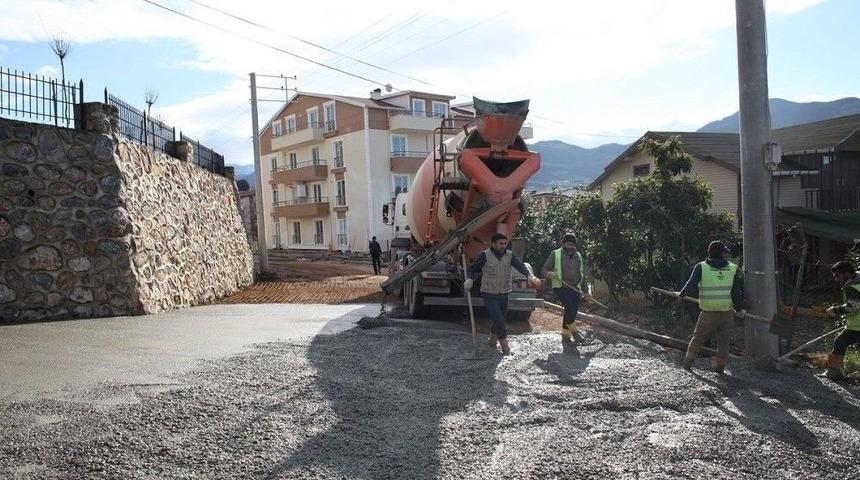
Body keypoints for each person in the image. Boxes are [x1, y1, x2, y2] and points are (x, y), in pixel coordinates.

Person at [464, 233, 541, 354]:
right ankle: (505, 347)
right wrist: (469, 279)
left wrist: (530, 275)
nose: (503, 246)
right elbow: (472, 268)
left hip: (504, 292)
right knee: (499, 319)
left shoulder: (510, 255)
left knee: (500, 318)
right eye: (500, 244)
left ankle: (492, 340)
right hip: (489, 293)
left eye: (505, 244)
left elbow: (520, 266)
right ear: (493, 244)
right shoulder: (485, 255)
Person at [677, 240, 743, 374]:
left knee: (697, 339)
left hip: (708, 314)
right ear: (723, 253)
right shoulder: (732, 268)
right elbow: (736, 292)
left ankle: (687, 364)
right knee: (724, 342)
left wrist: (681, 294)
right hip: (727, 313)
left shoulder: (701, 267)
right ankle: (720, 368)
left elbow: (691, 285)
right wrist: (739, 309)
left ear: (709, 252)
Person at [542, 233, 592, 343]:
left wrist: (586, 292)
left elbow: (582, 275)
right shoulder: (555, 254)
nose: (570, 246)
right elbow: (544, 269)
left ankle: (566, 335)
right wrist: (549, 273)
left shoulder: (578, 256)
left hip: (575, 287)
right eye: (567, 243)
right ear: (563, 244)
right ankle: (575, 332)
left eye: (572, 244)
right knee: (569, 307)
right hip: (561, 286)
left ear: (575, 245)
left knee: (573, 311)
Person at [820, 260, 860, 381]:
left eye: (837, 275)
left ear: (847, 274)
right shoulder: (858, 276)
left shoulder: (851, 287)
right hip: (855, 326)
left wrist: (834, 310)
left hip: (857, 327)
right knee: (840, 341)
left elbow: (852, 307)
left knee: (840, 342)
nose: (836, 279)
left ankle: (834, 373)